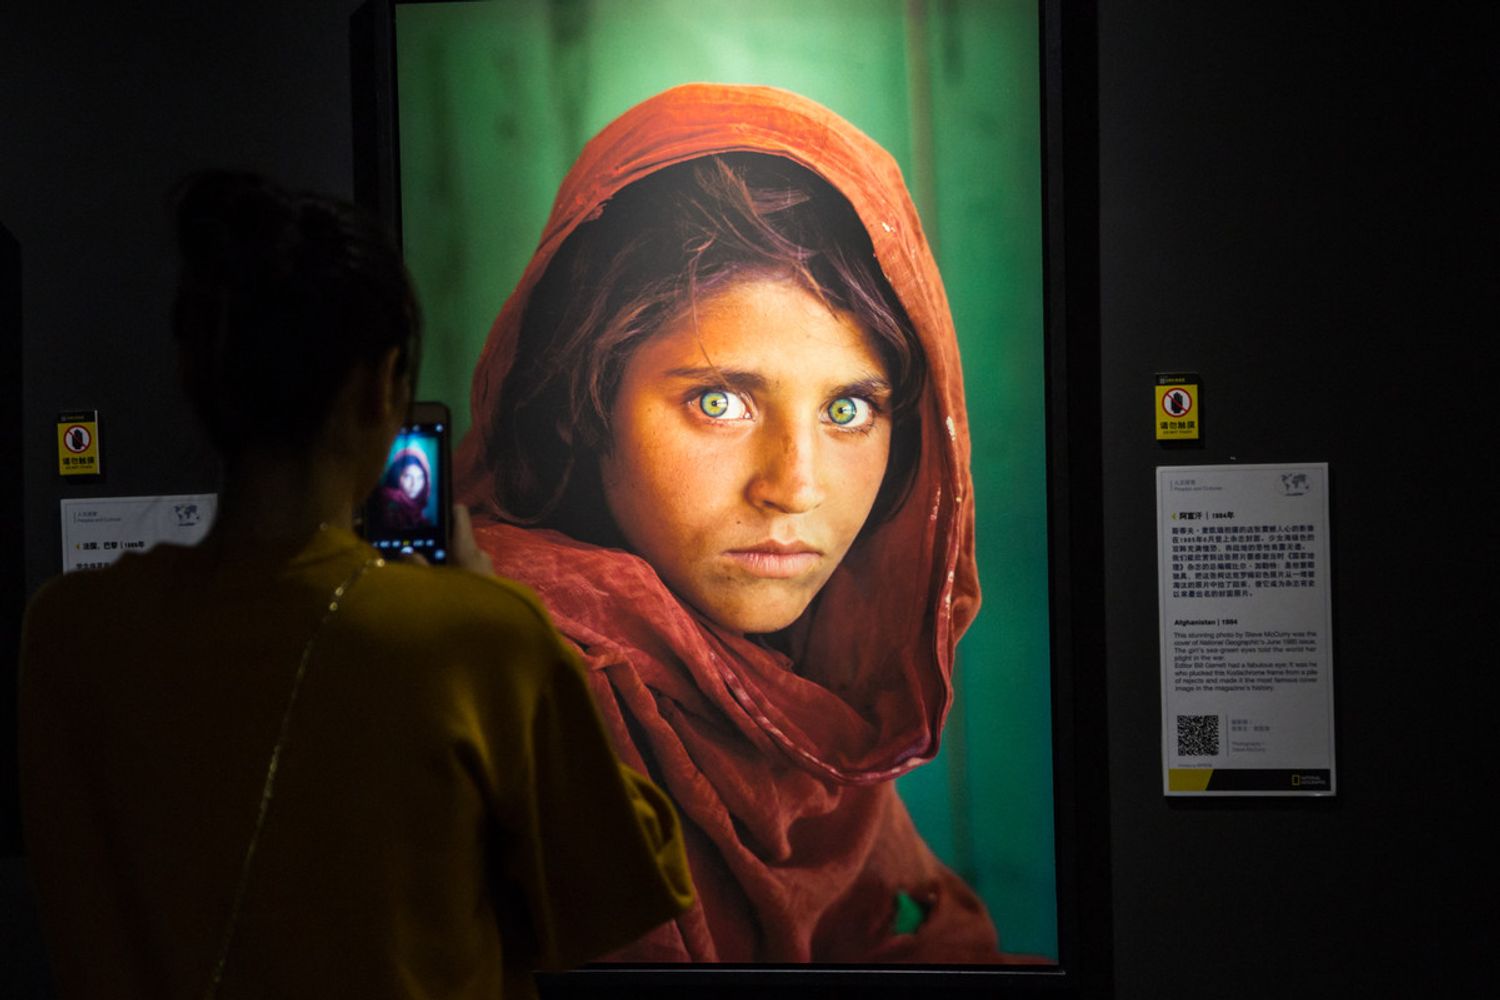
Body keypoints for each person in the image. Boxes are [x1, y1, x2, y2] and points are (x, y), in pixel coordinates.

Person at [18, 171, 693, 999]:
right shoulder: (476, 635)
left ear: (199, 383)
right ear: (382, 387)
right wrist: (492, 602)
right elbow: (616, 899)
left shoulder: (69, 632)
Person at [456, 84, 999, 963]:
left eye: (850, 410)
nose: (795, 488)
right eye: (719, 401)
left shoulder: (812, 702)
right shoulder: (515, 676)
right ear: (582, 404)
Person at [377, 445, 435, 529]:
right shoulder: (384, 507)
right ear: (397, 476)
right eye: (408, 477)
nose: (414, 484)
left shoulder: (421, 518)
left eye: (420, 478)